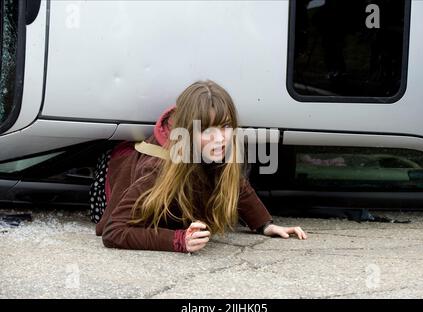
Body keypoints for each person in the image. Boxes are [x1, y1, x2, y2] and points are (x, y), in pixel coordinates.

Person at [91, 80, 307, 253]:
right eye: (206, 130)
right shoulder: (156, 168)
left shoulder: (215, 148)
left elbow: (235, 184)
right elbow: (113, 231)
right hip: (111, 182)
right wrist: (177, 240)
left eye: (225, 126)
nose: (220, 138)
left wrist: (265, 224)